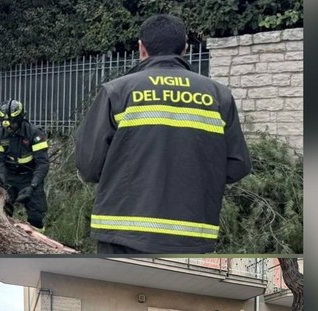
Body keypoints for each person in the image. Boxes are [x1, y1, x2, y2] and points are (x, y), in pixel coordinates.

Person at [75, 14, 251, 254]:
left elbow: (89, 166)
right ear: (185, 49)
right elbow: (238, 165)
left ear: (141, 48)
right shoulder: (219, 96)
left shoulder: (117, 92)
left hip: (122, 231)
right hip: (191, 233)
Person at [0, 99, 50, 232]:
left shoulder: (35, 134)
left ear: (20, 120)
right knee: (3, 211)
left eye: (12, 123)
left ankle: (36, 242)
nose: (9, 127)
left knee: (36, 215)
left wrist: (33, 186)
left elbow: (43, 164)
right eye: (6, 123)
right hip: (9, 176)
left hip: (30, 176)